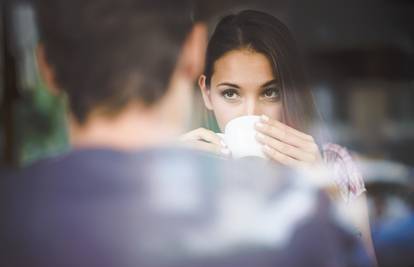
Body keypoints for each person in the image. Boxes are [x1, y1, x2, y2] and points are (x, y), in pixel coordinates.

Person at [0, 2, 372, 267]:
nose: (251, 112)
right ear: (195, 56)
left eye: (270, 91)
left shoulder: (13, 218)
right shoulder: (301, 225)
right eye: (230, 93)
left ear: (44, 67)